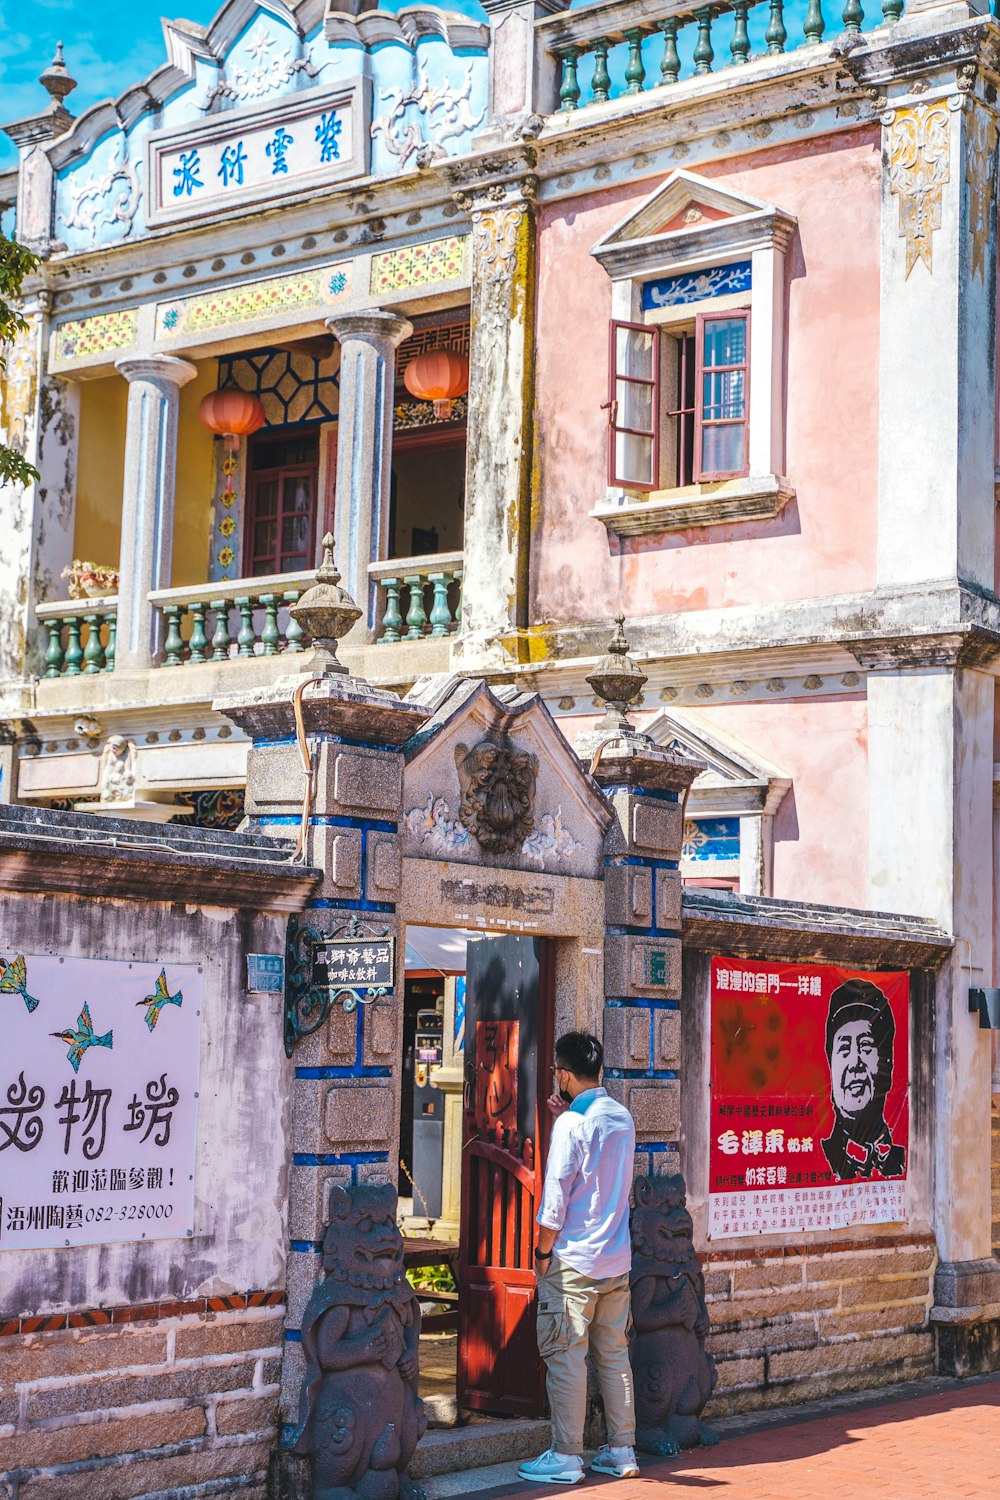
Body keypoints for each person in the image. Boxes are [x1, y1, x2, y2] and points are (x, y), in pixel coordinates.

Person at [517, 1031, 639, 1487]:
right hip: (615, 1259)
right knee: (613, 1355)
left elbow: (556, 1201)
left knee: (566, 1354)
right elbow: (602, 1170)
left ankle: (567, 1455)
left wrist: (541, 1252)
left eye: (557, 1072)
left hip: (574, 1260)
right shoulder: (621, 1117)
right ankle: (622, 1448)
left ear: (564, 1075)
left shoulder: (571, 1125)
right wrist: (567, 1117)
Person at [820, 978, 906, 1180]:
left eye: (865, 1047)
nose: (855, 1064)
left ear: (888, 1063)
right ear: (831, 1064)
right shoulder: (824, 1155)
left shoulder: (901, 1158)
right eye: (843, 1049)